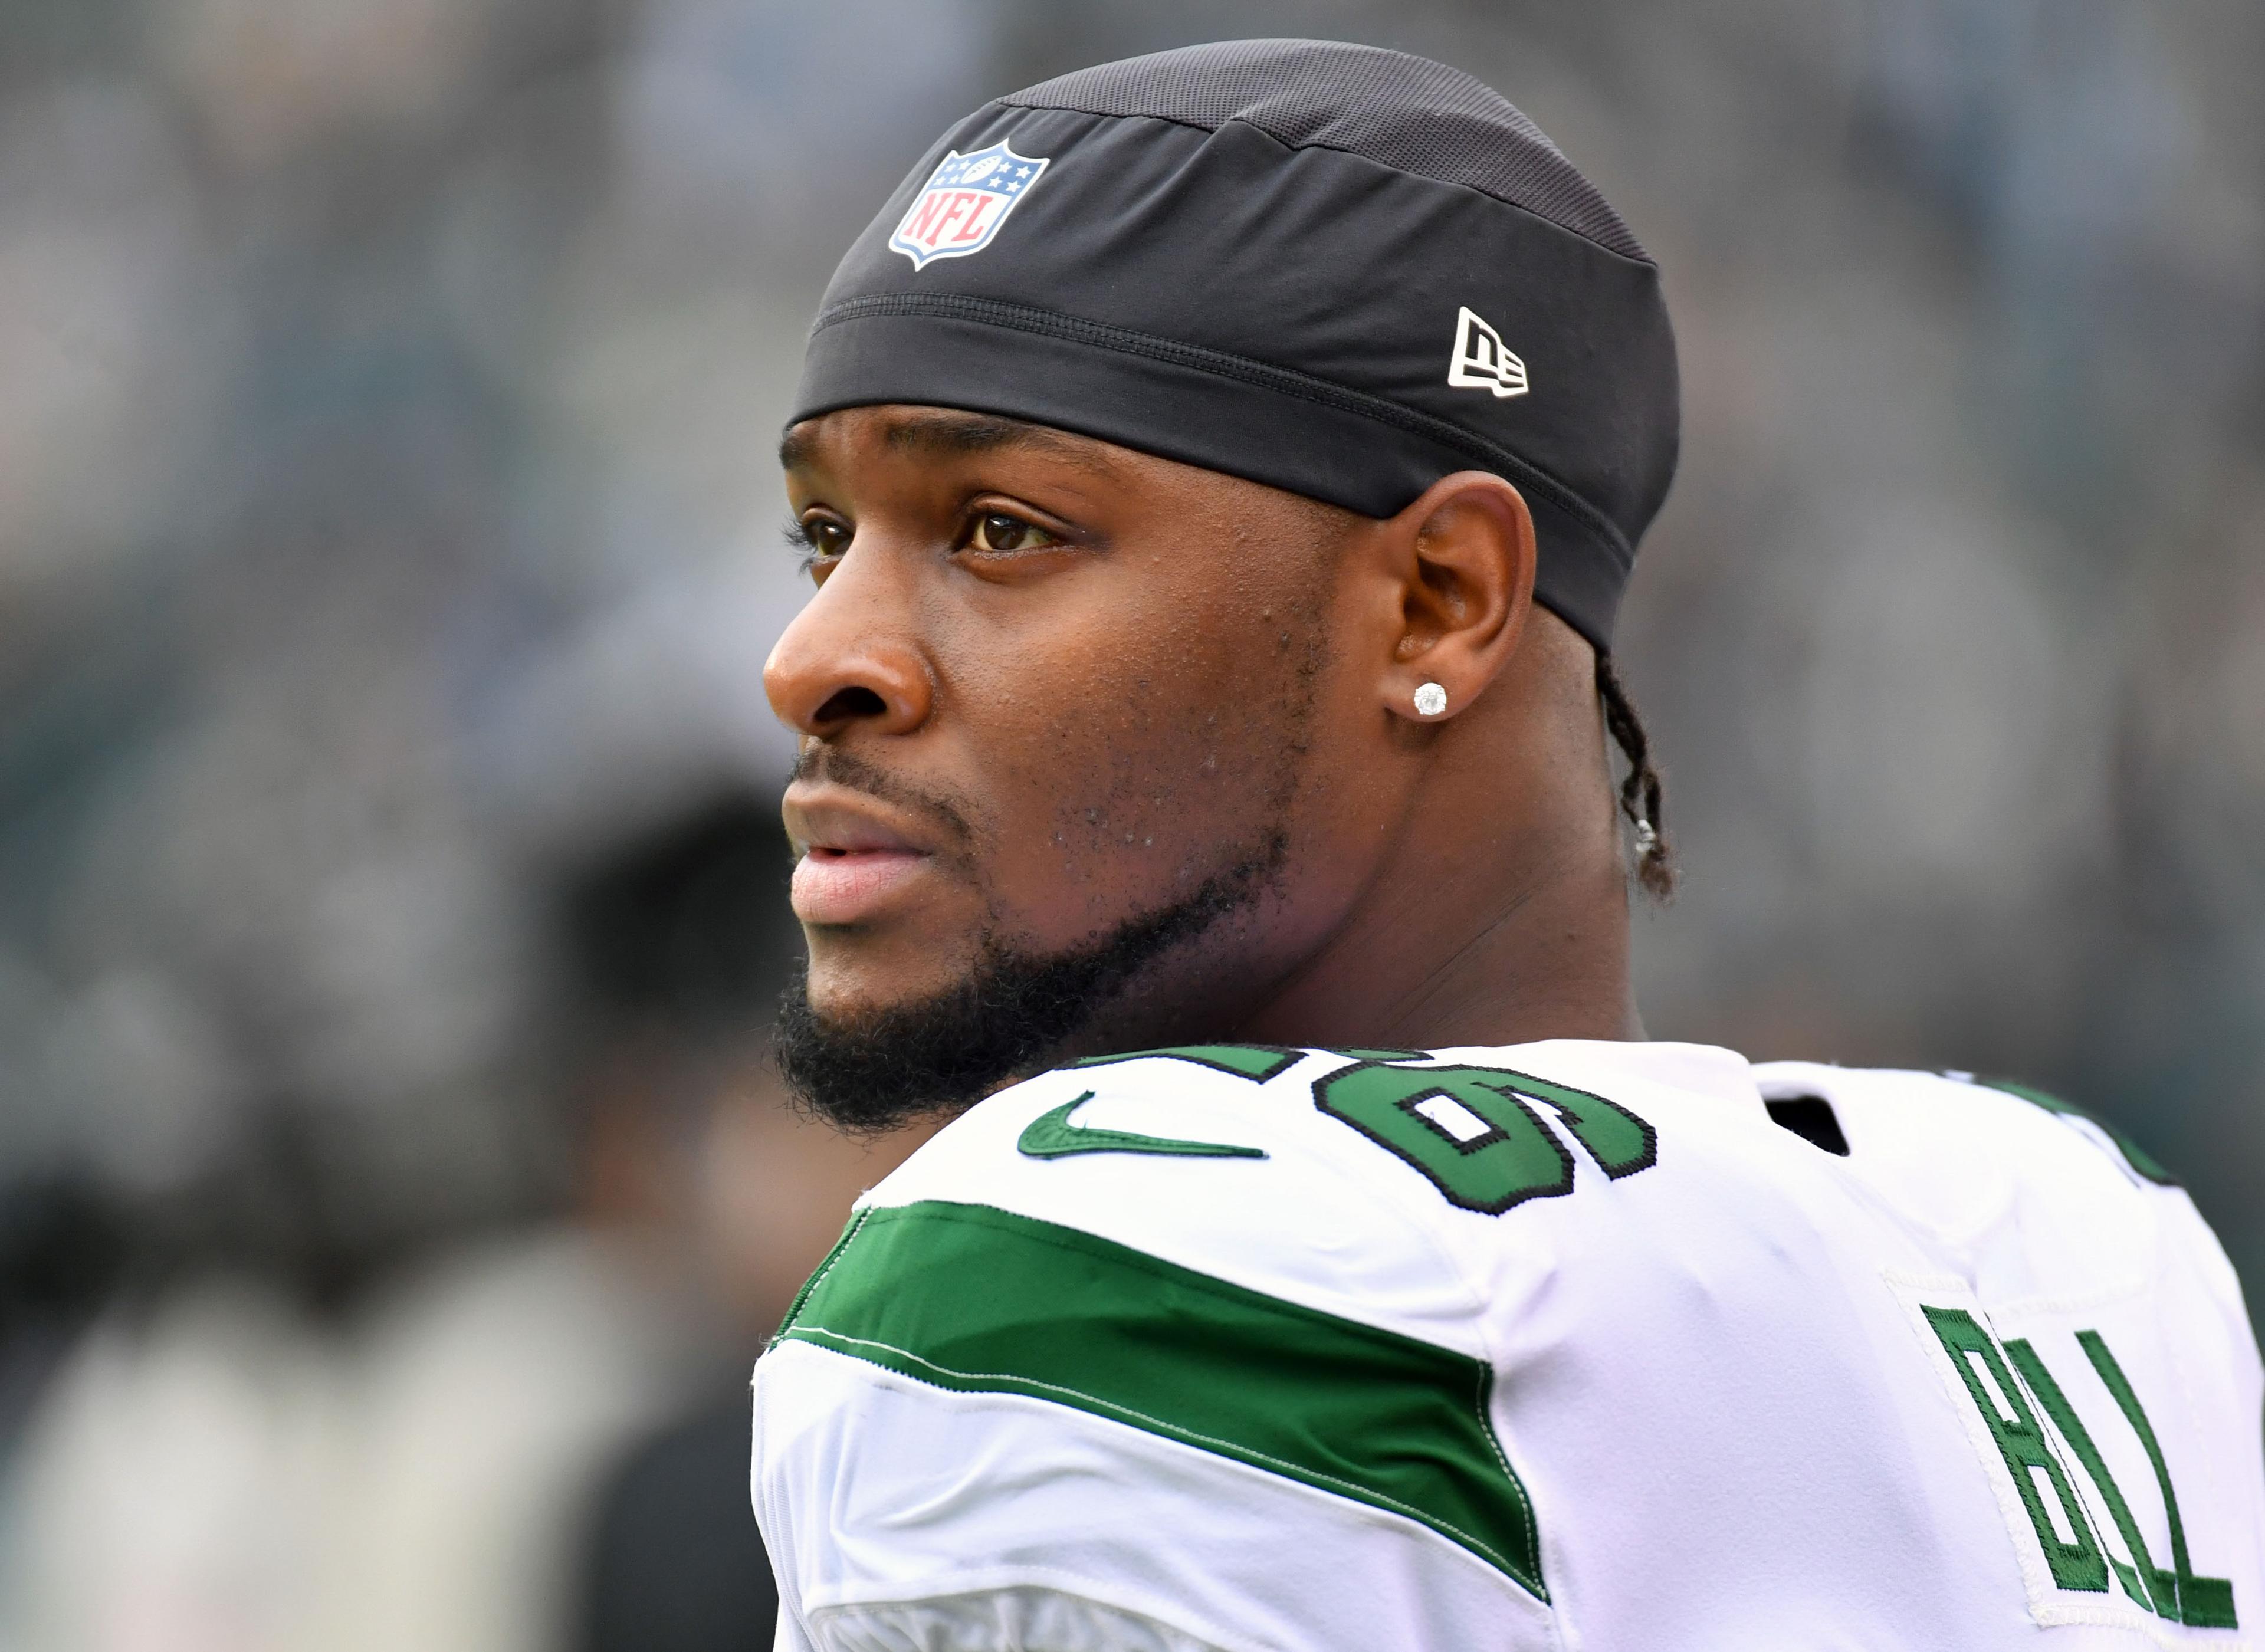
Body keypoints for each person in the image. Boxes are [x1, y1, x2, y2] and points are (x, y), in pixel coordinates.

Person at [749, 38, 2263, 1651]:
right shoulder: (2068, 1224)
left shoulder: (1084, 1265)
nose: (809, 660)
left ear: (1440, 598)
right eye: (825, 539)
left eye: (1002, 529)